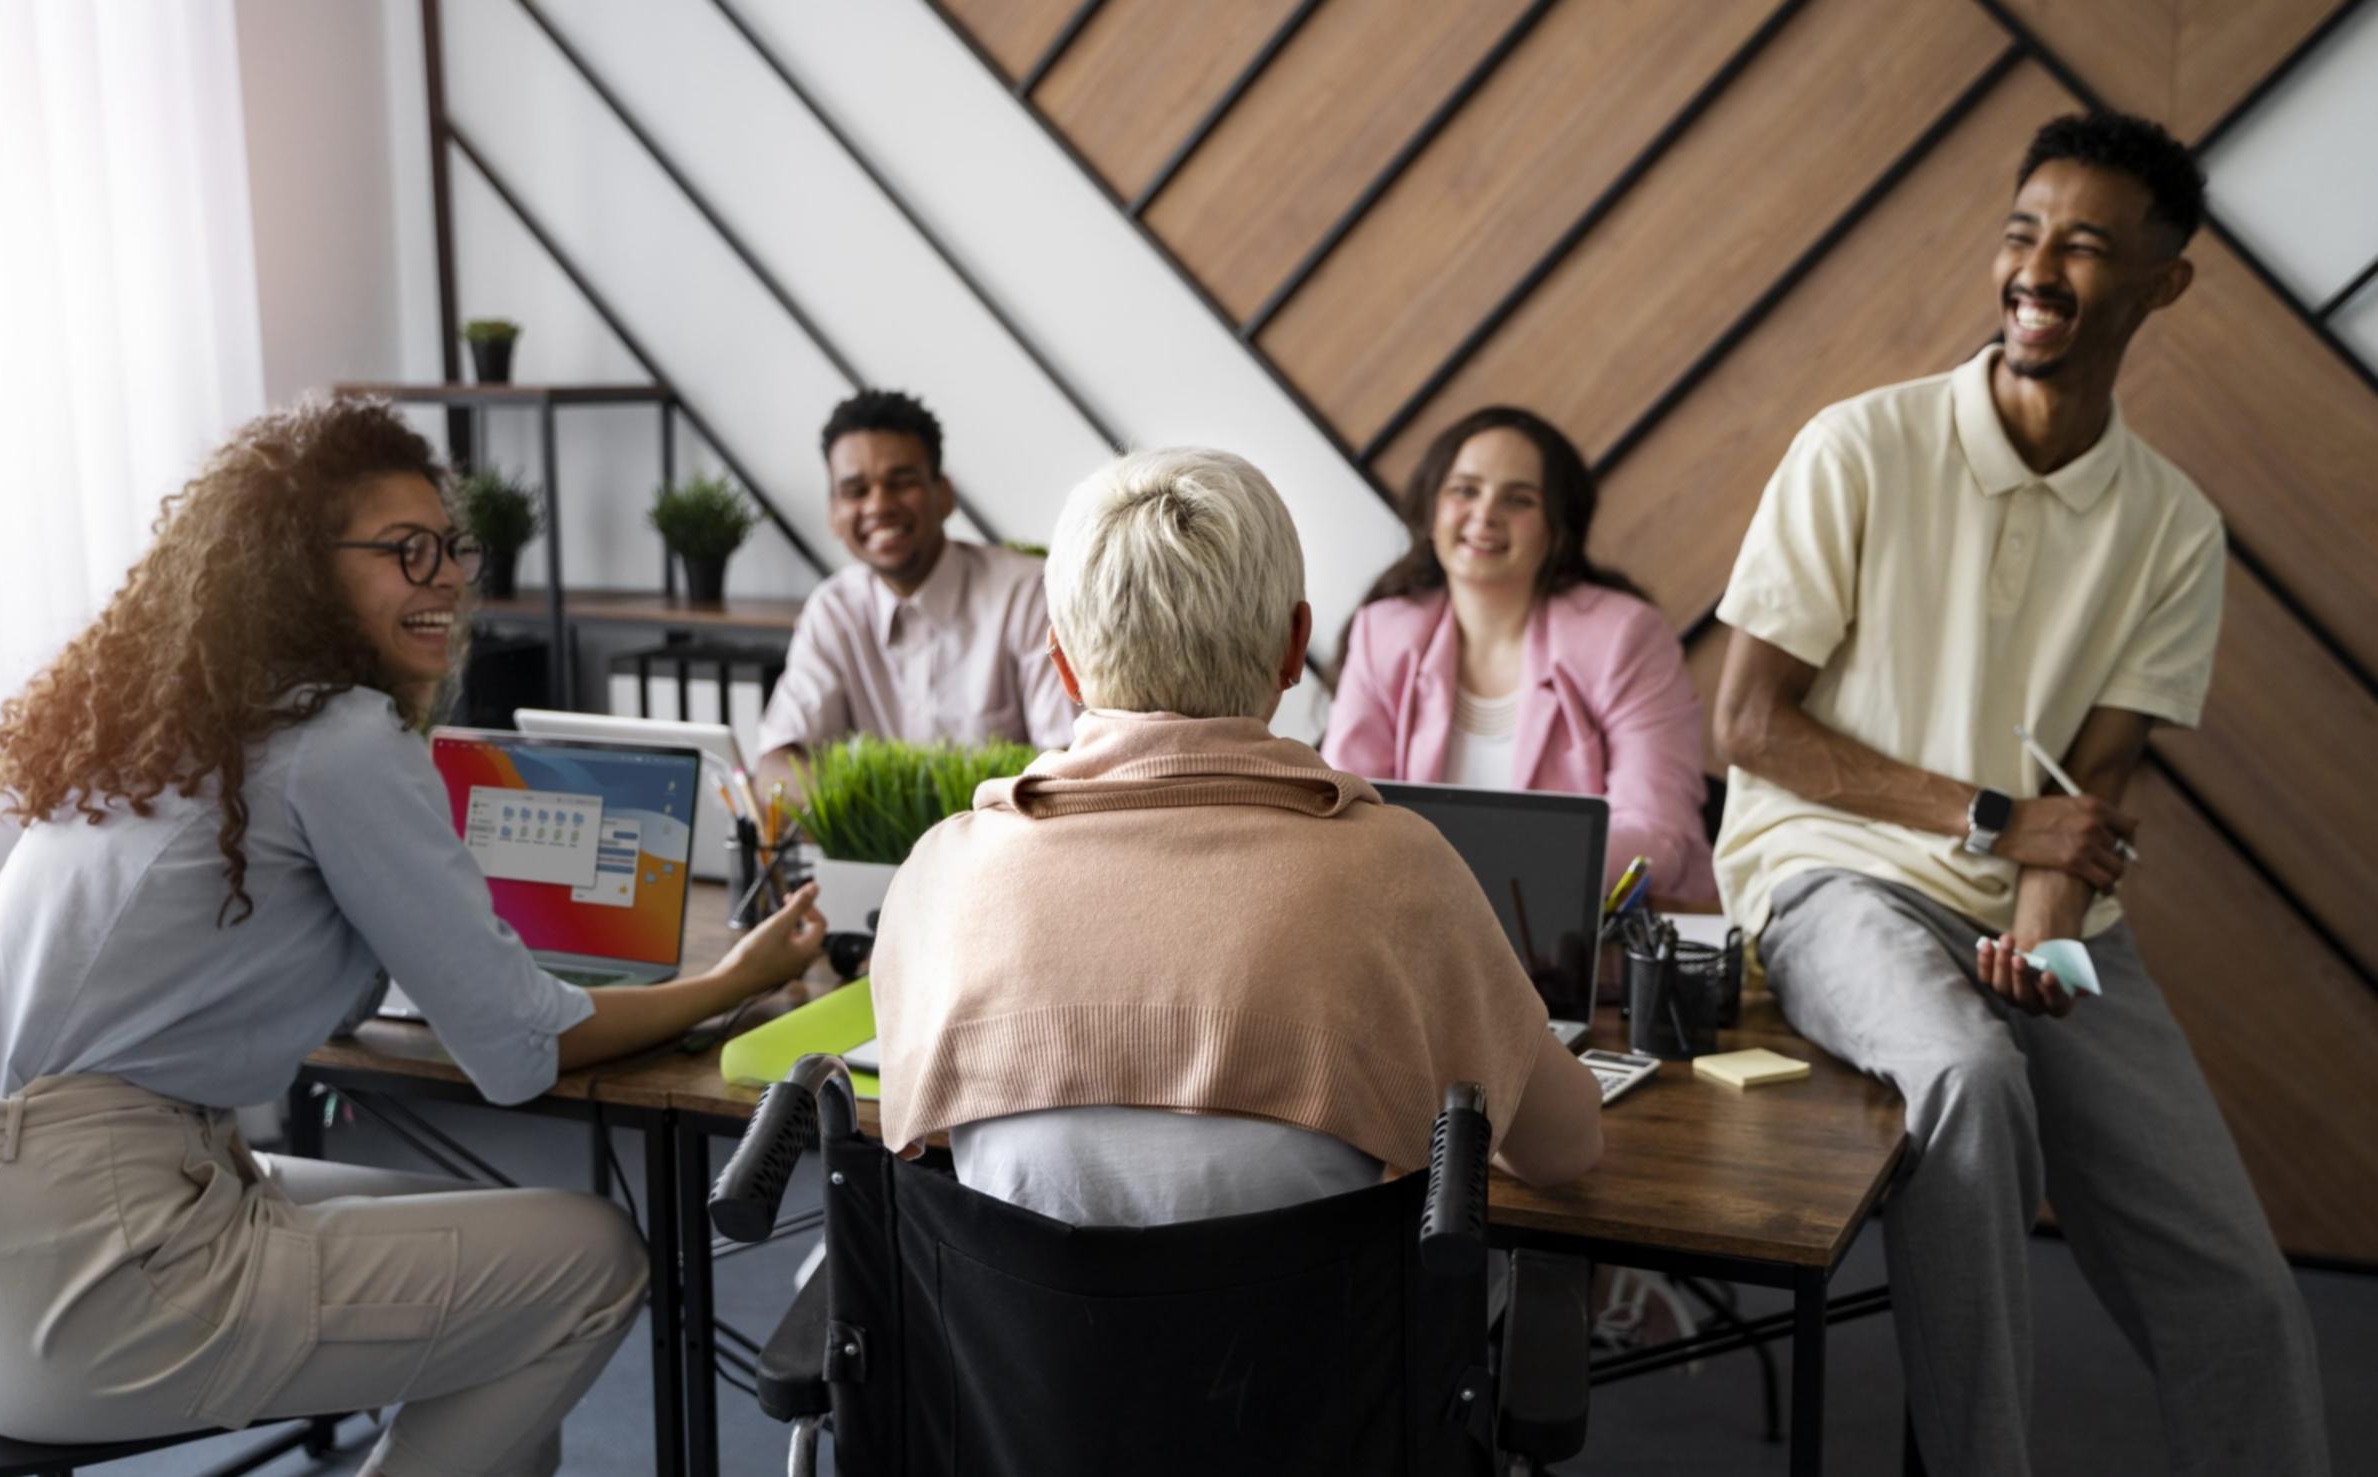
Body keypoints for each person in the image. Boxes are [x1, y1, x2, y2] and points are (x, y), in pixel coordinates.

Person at [0, 398, 827, 1475]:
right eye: (402, 550)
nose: (446, 577)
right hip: (108, 1267)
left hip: (10, 1269)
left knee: (493, 1243)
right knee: (594, 1257)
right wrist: (730, 979)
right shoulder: (336, 738)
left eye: (450, 548)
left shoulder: (175, 729)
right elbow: (517, 1052)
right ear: (297, 569)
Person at [1711, 113, 2326, 1476]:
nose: (2037, 268)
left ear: (2163, 283)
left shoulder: (2171, 528)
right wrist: (1992, 821)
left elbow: (2087, 791)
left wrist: (2044, 934)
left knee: (2237, 1285)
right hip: (1832, 873)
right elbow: (1748, 723)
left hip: (2041, 915)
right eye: (2021, 230)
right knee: (1969, 1077)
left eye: (2085, 245)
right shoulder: (1858, 447)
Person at [867, 447, 1604, 1227]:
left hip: (1000, 1348)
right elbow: (1566, 1149)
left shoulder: (941, 875)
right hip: (1324, 1348)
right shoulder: (1402, 870)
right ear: (1295, 646)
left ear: (1066, 669)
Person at [1322, 406, 1714, 903]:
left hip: (1591, 941)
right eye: (1464, 490)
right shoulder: (1384, 630)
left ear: (1558, 528)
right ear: (1430, 509)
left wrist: (1506, 877)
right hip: (1418, 929)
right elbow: (1344, 810)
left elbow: (1660, 833)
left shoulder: (1623, 636)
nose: (1485, 515)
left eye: (1519, 500)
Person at [754, 389, 1077, 801]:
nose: (879, 505)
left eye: (901, 483)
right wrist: (874, 823)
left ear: (943, 495)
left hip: (1001, 859)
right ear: (834, 512)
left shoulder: (1028, 595)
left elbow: (1067, 766)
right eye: (856, 491)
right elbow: (776, 765)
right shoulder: (834, 610)